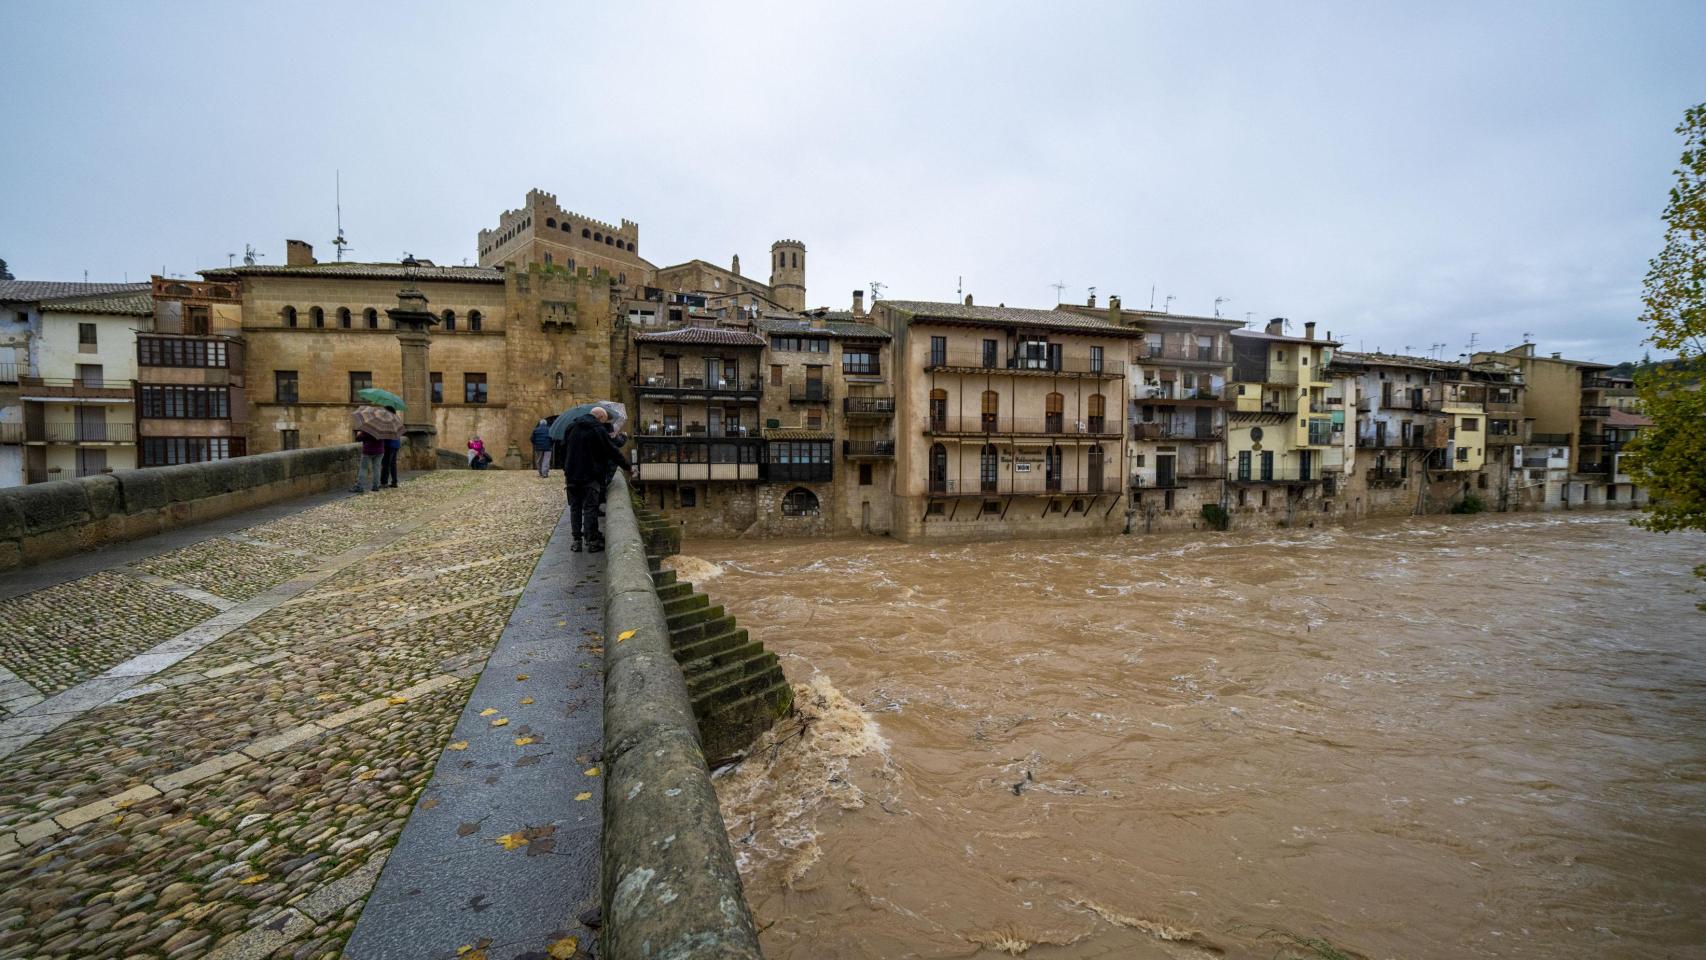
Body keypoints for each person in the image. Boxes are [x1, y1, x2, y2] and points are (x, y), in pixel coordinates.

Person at [562, 406, 631, 552]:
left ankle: (576, 541)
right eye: (603, 420)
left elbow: (564, 448)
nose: (603, 423)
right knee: (590, 508)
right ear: (600, 418)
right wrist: (628, 467)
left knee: (575, 508)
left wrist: (567, 468)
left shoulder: (571, 427)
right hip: (590, 475)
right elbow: (613, 451)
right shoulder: (598, 430)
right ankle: (591, 540)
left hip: (571, 475)